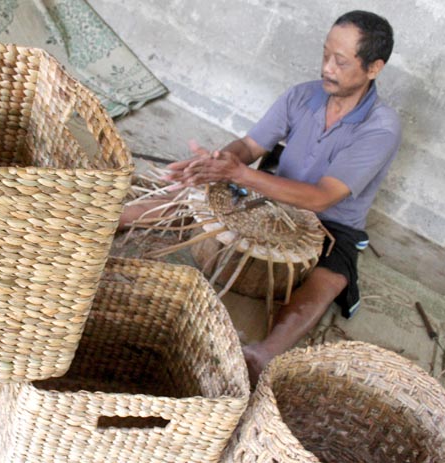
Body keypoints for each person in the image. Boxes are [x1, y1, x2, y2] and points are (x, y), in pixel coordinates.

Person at [120, 10, 401, 385]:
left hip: (329, 221)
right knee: (198, 201)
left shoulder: (381, 128)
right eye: (325, 54)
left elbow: (321, 198)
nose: (327, 68)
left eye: (341, 61)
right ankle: (111, 218)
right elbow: (252, 145)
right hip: (270, 194)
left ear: (374, 68)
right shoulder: (302, 95)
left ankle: (261, 354)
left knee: (330, 278)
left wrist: (238, 173)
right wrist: (221, 161)